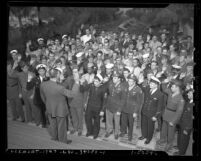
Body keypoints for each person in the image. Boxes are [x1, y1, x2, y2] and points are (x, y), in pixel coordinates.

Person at [40, 68, 72, 144]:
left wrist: (48, 104)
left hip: (49, 108)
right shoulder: (60, 87)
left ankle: (54, 137)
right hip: (60, 109)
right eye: (59, 74)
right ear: (57, 75)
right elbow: (71, 94)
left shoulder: (43, 84)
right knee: (61, 126)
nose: (60, 75)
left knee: (53, 124)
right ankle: (62, 140)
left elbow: (42, 97)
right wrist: (76, 82)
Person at [158, 79, 185, 152]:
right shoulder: (170, 92)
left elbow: (179, 112)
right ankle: (162, 140)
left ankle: (169, 144)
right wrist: (164, 82)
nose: (171, 88)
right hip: (166, 113)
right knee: (163, 130)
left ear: (177, 88)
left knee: (170, 133)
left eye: (172, 87)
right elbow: (164, 89)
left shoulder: (181, 99)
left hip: (173, 116)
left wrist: (173, 121)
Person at [139, 76, 163, 144]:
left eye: (152, 84)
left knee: (150, 127)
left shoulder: (160, 94)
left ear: (156, 85)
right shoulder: (147, 89)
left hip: (152, 114)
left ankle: (149, 138)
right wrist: (141, 82)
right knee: (143, 124)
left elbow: (159, 107)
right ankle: (144, 135)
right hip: (144, 111)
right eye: (150, 83)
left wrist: (155, 116)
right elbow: (141, 86)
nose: (150, 85)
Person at [81, 75, 106, 139]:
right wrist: (81, 83)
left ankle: (95, 133)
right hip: (90, 106)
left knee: (97, 122)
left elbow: (104, 101)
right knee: (87, 119)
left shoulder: (103, 89)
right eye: (94, 81)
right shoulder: (91, 85)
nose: (95, 83)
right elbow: (82, 89)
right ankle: (89, 131)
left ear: (100, 82)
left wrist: (102, 110)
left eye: (97, 81)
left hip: (98, 108)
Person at [119, 75, 143, 141]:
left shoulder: (138, 89)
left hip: (132, 110)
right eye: (128, 81)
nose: (129, 82)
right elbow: (123, 98)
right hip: (124, 108)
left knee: (131, 124)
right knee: (123, 122)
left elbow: (138, 102)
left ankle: (130, 135)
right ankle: (123, 132)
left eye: (131, 81)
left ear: (135, 82)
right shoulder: (126, 87)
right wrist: (120, 108)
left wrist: (135, 112)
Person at [103, 72, 126, 140]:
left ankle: (116, 133)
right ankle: (109, 131)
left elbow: (123, 100)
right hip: (109, 105)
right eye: (113, 77)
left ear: (119, 79)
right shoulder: (110, 84)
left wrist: (119, 110)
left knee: (116, 121)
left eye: (115, 78)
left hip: (117, 107)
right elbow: (107, 92)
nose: (113, 79)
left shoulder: (123, 87)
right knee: (108, 120)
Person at [176, 88, 194, 155]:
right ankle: (179, 147)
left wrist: (187, 128)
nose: (188, 94)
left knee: (184, 140)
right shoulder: (189, 101)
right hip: (182, 123)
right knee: (180, 137)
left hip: (187, 126)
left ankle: (181, 152)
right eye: (188, 93)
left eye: (190, 93)